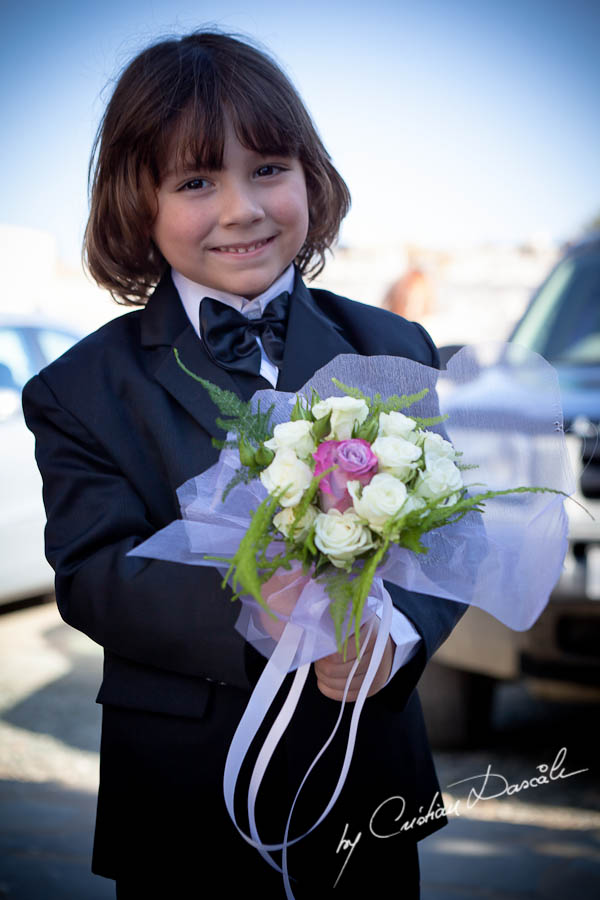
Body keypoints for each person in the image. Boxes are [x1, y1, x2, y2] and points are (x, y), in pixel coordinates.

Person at [22, 30, 467, 899]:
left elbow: (448, 531)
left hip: (365, 779)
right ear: (136, 203)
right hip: (187, 791)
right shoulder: (82, 388)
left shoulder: (391, 345)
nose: (242, 209)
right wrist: (252, 598)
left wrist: (398, 636)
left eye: (268, 169)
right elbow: (91, 573)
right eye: (196, 181)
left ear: (310, 177)